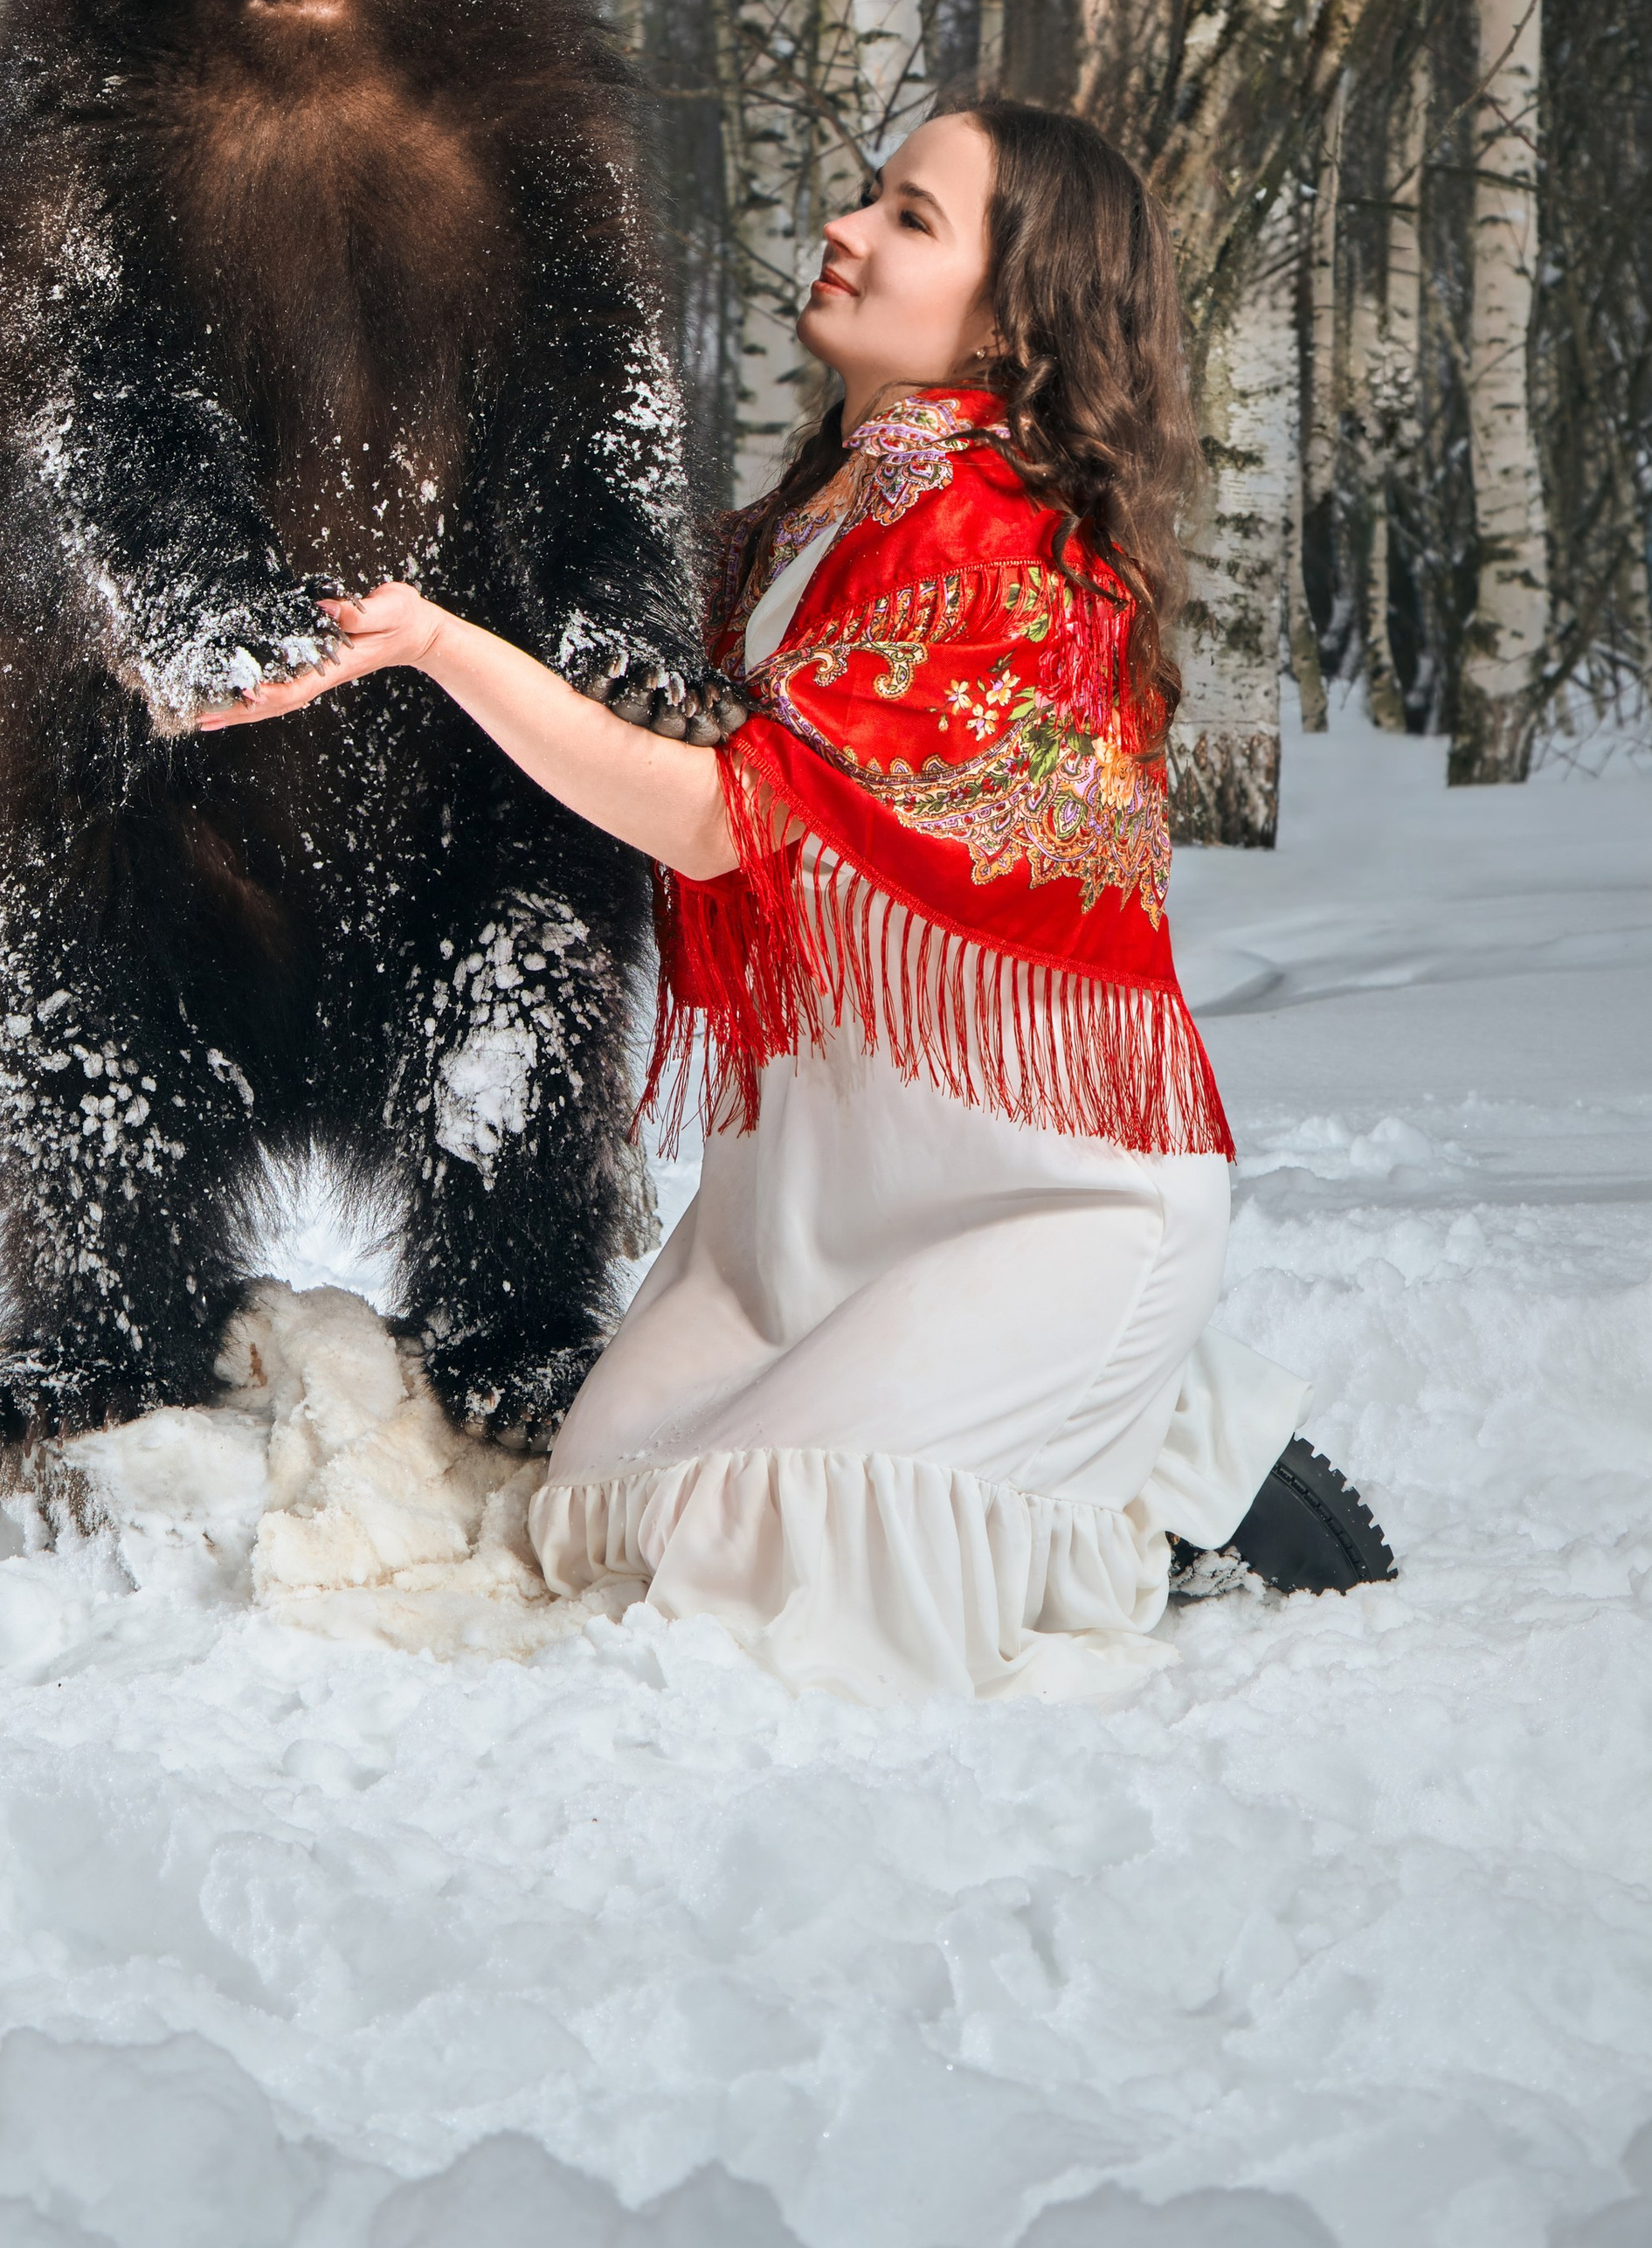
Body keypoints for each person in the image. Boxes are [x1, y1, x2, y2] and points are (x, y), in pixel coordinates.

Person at [199, 96, 1393, 1705]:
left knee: (781, 1582)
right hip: (806, 1211)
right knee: (614, 1528)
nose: (846, 228)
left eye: (912, 216)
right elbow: (629, 738)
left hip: (1031, 1208)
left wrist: (433, 643)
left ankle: (1170, 1498)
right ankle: (1139, 1436)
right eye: (864, 195)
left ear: (1020, 304)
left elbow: (710, 823)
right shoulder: (805, 524)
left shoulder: (1012, 557)